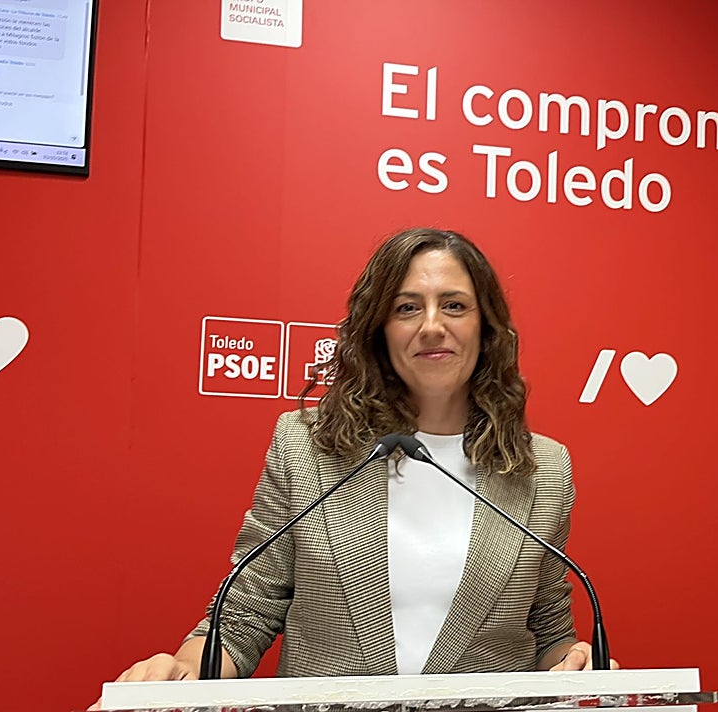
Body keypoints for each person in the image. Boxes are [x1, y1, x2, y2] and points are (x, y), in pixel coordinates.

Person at [109, 227, 605, 685]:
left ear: (486, 327)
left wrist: (574, 660)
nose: (432, 326)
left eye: (454, 305)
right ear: (378, 329)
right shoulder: (305, 446)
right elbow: (245, 615)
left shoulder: (541, 468)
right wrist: (181, 669)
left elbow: (545, 626)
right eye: (408, 308)